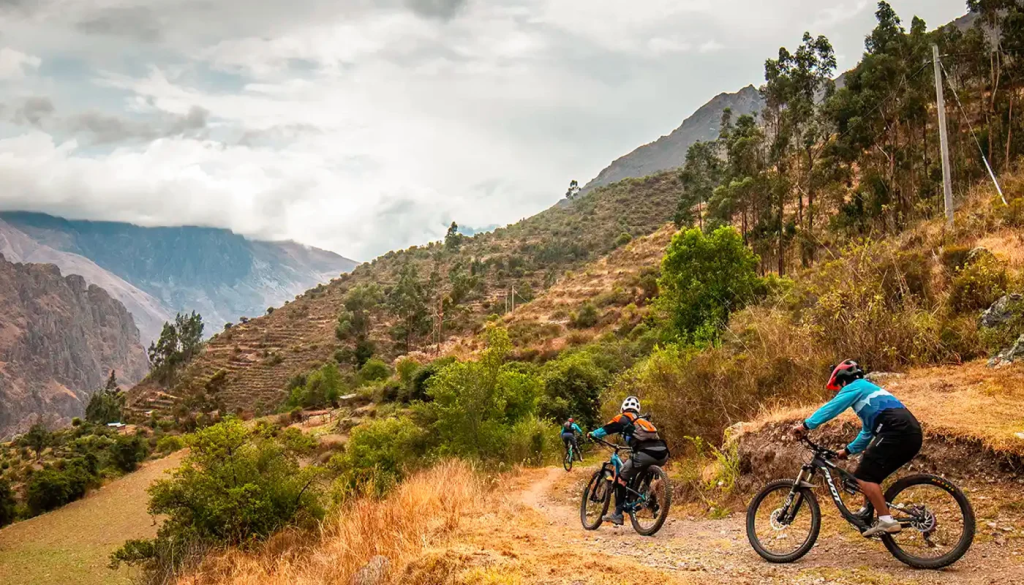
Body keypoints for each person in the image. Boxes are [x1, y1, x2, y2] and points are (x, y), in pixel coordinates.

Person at [791, 360, 923, 538]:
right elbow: (867, 432)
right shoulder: (869, 394)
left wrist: (806, 426)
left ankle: (886, 520)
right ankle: (867, 512)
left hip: (897, 430)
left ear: (843, 380)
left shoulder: (857, 386)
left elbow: (832, 408)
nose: (839, 390)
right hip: (910, 434)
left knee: (864, 475)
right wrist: (847, 451)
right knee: (869, 472)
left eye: (838, 386)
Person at [588, 396, 670, 525]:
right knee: (634, 466)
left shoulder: (623, 418)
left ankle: (618, 514)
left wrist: (593, 434)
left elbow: (606, 429)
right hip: (662, 454)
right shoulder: (643, 421)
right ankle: (647, 498)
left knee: (621, 476)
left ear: (623, 409)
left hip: (644, 454)